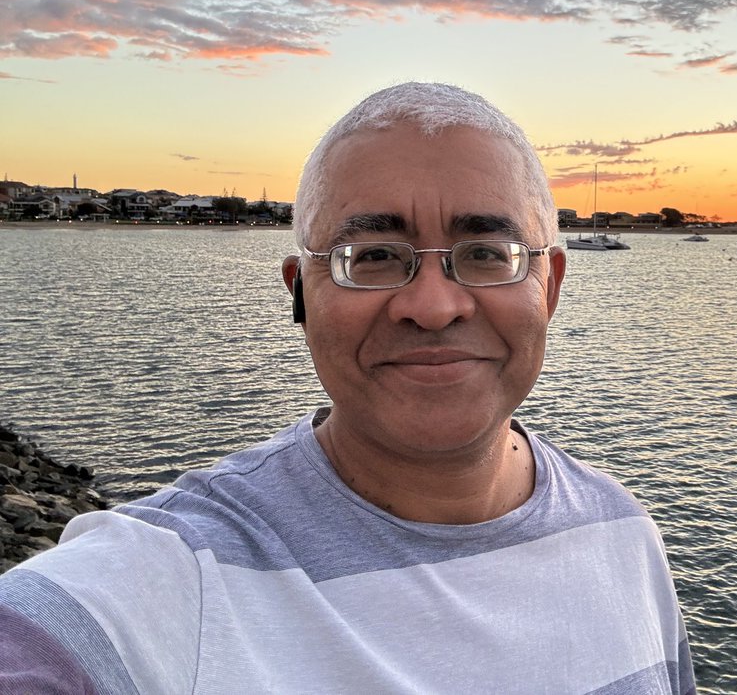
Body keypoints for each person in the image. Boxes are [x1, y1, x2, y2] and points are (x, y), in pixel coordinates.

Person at [0, 82, 695, 693]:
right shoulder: (170, 576)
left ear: (550, 287)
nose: (433, 305)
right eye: (374, 257)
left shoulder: (624, 536)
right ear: (301, 293)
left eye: (487, 255)